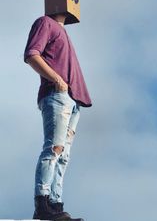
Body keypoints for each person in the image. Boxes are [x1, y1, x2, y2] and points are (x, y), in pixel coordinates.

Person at [24, 12, 92, 220]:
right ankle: (42, 205)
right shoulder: (45, 23)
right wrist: (58, 81)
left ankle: (56, 204)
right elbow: (31, 54)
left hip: (73, 101)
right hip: (58, 95)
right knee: (53, 149)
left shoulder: (62, 32)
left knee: (63, 157)